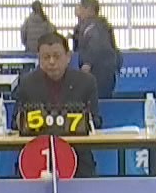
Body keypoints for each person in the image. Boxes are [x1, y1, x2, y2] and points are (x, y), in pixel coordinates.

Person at [9, 31, 100, 175]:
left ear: (68, 57)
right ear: (39, 58)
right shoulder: (26, 83)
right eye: (46, 57)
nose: (51, 62)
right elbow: (15, 122)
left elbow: (96, 121)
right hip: (35, 158)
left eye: (57, 56)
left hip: (78, 159)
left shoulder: (86, 82)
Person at [73, 0, 122, 100]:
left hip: (99, 71)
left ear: (89, 9)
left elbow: (96, 44)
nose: (77, 10)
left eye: (80, 7)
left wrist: (88, 63)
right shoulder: (99, 25)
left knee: (97, 100)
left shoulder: (94, 27)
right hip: (106, 70)